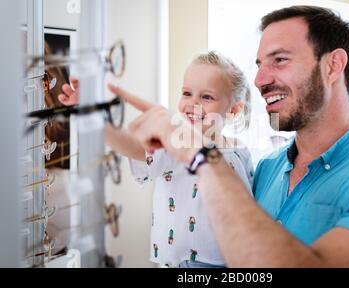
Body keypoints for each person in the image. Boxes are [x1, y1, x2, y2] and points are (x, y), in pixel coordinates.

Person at [110, 5, 349, 268]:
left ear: (332, 66)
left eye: (280, 60)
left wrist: (201, 155)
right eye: (259, 64)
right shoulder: (267, 169)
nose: (259, 79)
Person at [59, 51, 254, 268]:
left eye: (206, 97)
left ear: (235, 109)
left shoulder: (241, 151)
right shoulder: (174, 142)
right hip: (187, 262)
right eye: (187, 93)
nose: (192, 104)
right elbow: (133, 146)